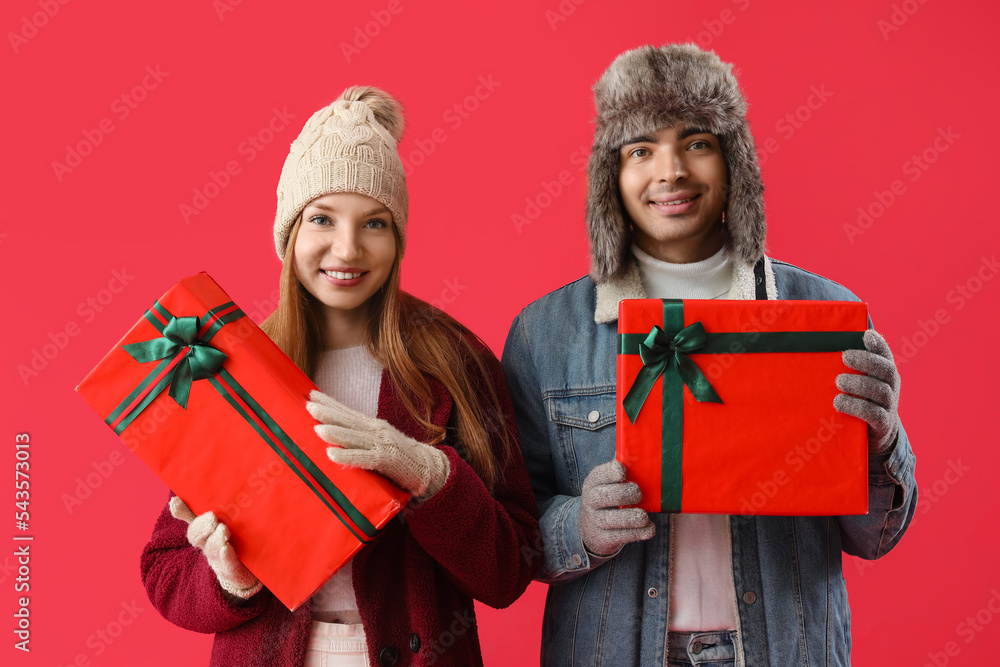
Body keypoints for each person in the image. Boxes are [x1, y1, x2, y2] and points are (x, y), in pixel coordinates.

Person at [501, 44, 917, 666]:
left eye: (696, 142)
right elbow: (506, 531)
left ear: (733, 162)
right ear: (610, 175)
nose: (670, 171)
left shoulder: (825, 316)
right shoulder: (545, 333)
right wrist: (577, 528)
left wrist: (883, 443)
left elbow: (876, 539)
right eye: (640, 150)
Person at [140, 86, 540, 667]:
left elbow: (509, 569)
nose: (347, 249)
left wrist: (427, 474)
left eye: (374, 223)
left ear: (398, 238)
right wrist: (231, 577)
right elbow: (165, 572)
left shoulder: (459, 361)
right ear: (289, 234)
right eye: (322, 218)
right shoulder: (231, 365)